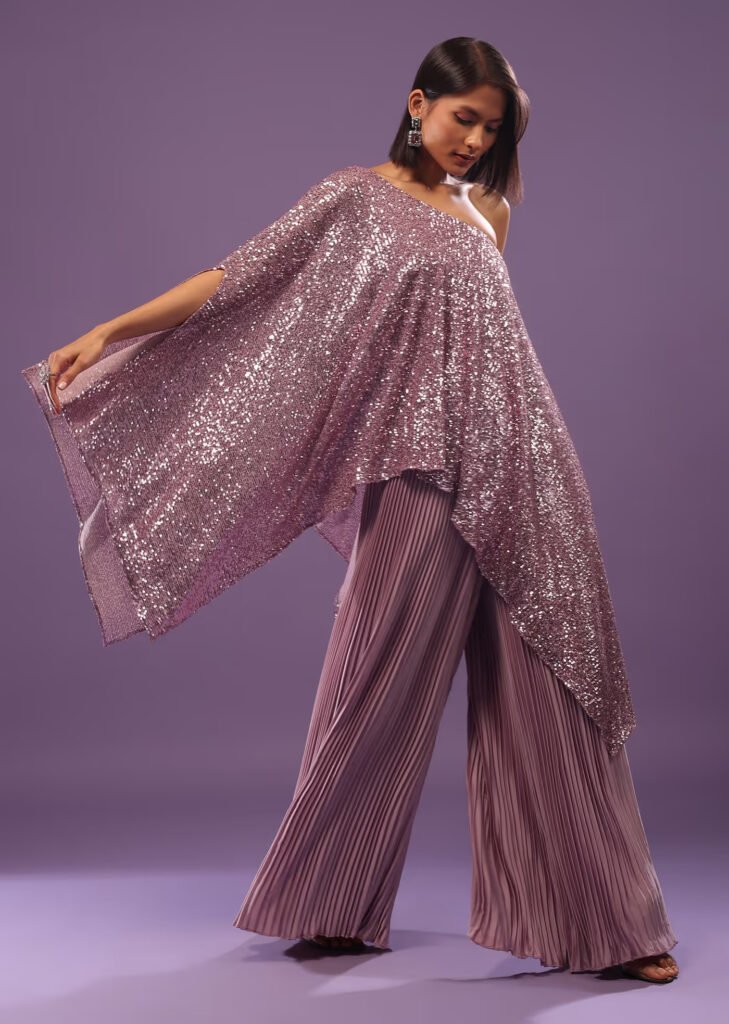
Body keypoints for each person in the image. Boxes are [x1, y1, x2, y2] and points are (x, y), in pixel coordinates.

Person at [21, 37, 678, 983]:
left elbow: (486, 353)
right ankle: (328, 906)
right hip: (416, 468)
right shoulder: (351, 198)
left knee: (556, 686)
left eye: (490, 129)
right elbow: (235, 279)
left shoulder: (488, 213)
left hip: (527, 464)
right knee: (376, 678)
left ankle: (613, 926)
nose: (473, 140)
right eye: (462, 119)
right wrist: (110, 329)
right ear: (418, 105)